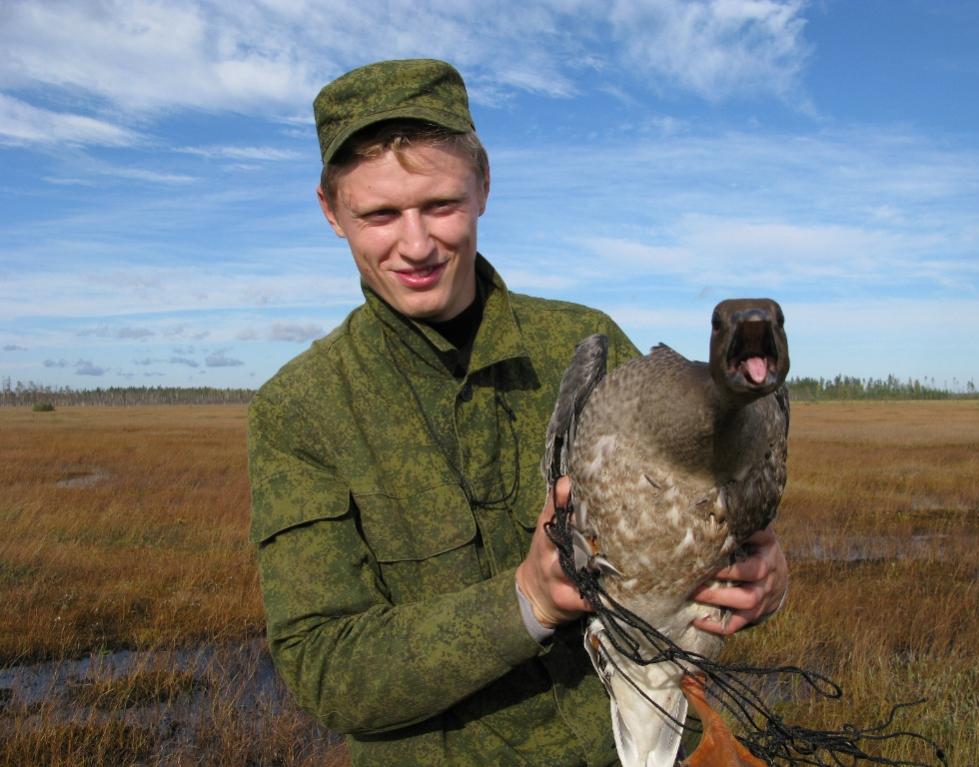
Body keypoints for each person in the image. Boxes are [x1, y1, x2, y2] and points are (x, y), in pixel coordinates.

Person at [248, 58, 788, 767]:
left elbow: (701, 515)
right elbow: (326, 672)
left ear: (483, 184)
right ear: (330, 210)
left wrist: (763, 576)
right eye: (379, 214)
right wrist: (526, 599)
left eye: (440, 204)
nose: (416, 244)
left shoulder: (585, 341)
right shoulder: (299, 411)